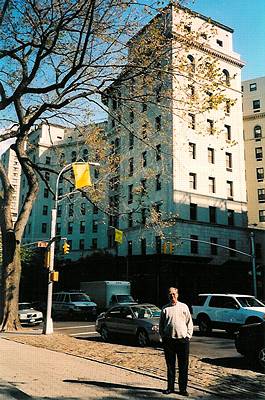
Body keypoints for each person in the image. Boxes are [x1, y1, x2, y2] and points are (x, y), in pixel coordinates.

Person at [159, 287, 193, 397]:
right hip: (169, 341)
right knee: (170, 365)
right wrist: (163, 336)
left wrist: (188, 336)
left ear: (177, 295)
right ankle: (170, 387)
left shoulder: (184, 307)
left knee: (183, 366)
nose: (172, 296)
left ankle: (183, 389)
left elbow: (189, 322)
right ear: (168, 296)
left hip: (182, 341)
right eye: (170, 294)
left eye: (174, 294)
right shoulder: (165, 309)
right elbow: (161, 325)